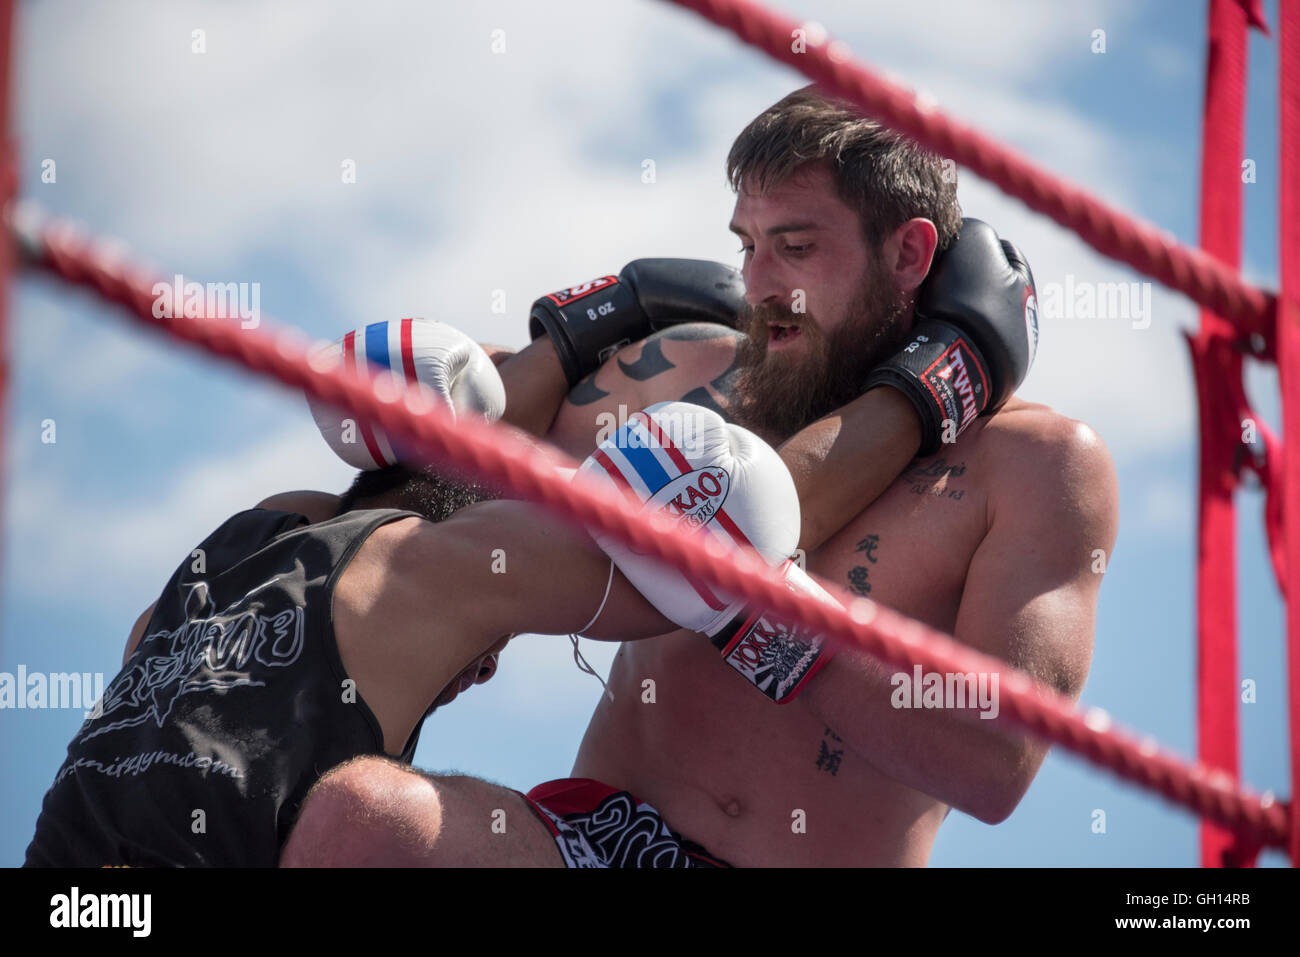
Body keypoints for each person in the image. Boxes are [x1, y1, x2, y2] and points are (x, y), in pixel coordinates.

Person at [284, 86, 1116, 868]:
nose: (758, 285)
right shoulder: (700, 368)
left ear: (908, 254)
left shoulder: (1036, 462)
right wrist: (490, 360)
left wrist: (757, 611)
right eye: (746, 246)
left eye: (795, 247)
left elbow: (997, 761)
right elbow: (476, 422)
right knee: (359, 818)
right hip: (596, 839)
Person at [25, 319, 798, 867]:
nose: (483, 673)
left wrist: (574, 332)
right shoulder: (432, 568)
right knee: (377, 815)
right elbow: (722, 543)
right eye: (492, 647)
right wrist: (916, 387)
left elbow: (413, 463)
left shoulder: (235, 547)